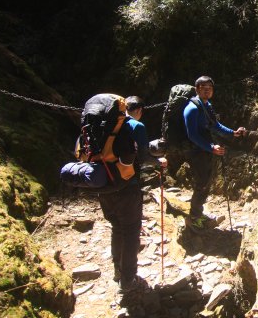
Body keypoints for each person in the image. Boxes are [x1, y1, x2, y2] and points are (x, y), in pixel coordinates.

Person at [98, 96, 167, 294]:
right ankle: (128, 279)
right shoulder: (137, 125)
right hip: (127, 186)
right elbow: (144, 157)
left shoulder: (104, 125)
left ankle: (117, 272)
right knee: (130, 232)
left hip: (103, 184)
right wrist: (159, 162)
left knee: (116, 228)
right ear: (140, 110)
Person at [183, 76, 246, 230]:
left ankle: (198, 213)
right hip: (195, 151)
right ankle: (194, 217)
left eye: (210, 88)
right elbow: (192, 135)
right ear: (196, 89)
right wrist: (211, 147)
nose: (207, 90)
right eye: (203, 87)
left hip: (204, 150)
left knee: (206, 182)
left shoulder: (206, 105)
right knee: (202, 183)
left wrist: (233, 133)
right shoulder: (191, 109)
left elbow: (215, 125)